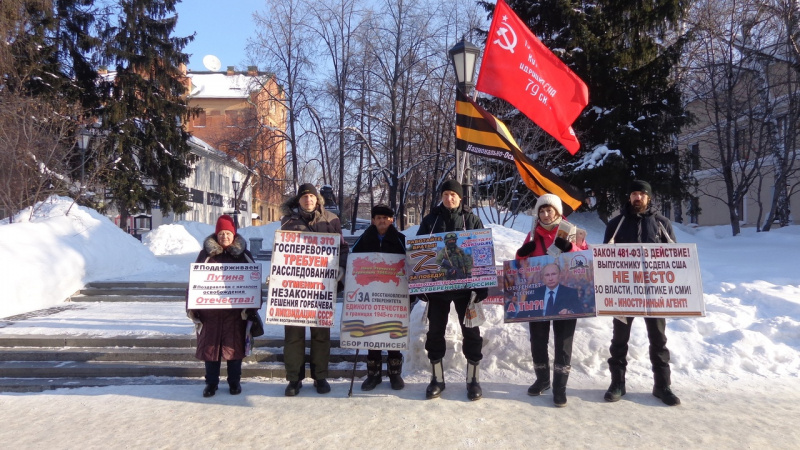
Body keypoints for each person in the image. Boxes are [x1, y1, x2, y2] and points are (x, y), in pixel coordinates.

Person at [602, 180, 681, 406]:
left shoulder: (662, 223)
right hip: (623, 293)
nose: (638, 198)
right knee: (619, 340)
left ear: (649, 198)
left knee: (658, 339)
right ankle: (617, 383)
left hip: (654, 293)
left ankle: (662, 386)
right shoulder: (616, 224)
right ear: (629, 197)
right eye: (634, 193)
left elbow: (675, 259)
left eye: (642, 194)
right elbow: (605, 259)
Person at [417, 179, 487, 401]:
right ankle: (437, 378)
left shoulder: (472, 220)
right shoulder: (430, 221)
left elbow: (482, 253)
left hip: (466, 290)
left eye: (453, 195)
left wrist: (481, 286)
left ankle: (473, 379)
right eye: (445, 194)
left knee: (471, 332)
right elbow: (420, 253)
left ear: (460, 197)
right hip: (438, 290)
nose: (449, 198)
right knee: (435, 332)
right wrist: (421, 285)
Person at [280, 183, 349, 396]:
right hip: (295, 288)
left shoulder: (331, 220)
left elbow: (342, 247)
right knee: (293, 335)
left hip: (321, 288)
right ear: (298, 200)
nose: (308, 200)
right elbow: (281, 248)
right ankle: (294, 378)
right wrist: (277, 273)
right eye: (304, 197)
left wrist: (341, 267)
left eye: (311, 196)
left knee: (321, 334)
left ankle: (320, 376)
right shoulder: (288, 221)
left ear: (317, 198)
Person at [515, 194, 578, 407]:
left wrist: (570, 248)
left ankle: (560, 387)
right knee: (538, 340)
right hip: (538, 293)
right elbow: (520, 265)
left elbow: (584, 258)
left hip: (565, 293)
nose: (545, 214)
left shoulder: (572, 232)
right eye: (541, 210)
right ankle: (542, 380)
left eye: (549, 210)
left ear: (558, 212)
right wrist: (522, 253)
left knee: (563, 342)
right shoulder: (532, 235)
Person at [187, 214, 257, 398]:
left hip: (235, 314)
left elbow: (254, 282)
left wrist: (252, 307)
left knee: (234, 349)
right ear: (216, 235)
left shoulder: (244, 256)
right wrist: (192, 307)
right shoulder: (206, 255)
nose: (224, 237)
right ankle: (211, 383)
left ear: (233, 235)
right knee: (210, 350)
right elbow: (194, 282)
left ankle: (234, 382)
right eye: (221, 234)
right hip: (210, 313)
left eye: (228, 233)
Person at [351, 204, 407, 391]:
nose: (382, 221)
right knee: (372, 334)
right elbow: (353, 262)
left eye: (386, 217)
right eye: (378, 218)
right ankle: (373, 375)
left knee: (393, 333)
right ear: (373, 221)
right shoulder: (364, 239)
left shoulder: (400, 240)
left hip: (393, 296)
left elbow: (409, 266)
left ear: (392, 220)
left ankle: (394, 374)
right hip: (371, 296)